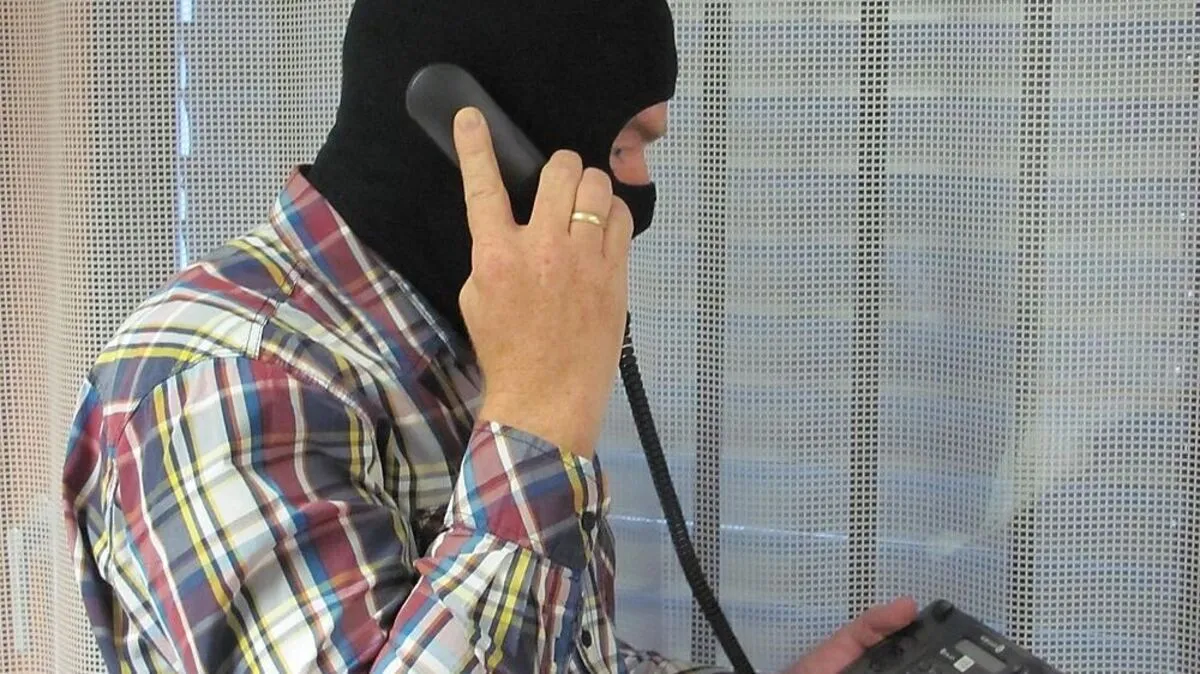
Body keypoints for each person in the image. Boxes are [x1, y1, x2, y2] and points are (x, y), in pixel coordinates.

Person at [62, 0, 918, 672]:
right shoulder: (225, 385)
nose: (639, 191)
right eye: (625, 144)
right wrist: (541, 414)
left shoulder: (449, 345)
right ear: (472, 131)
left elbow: (550, 649)